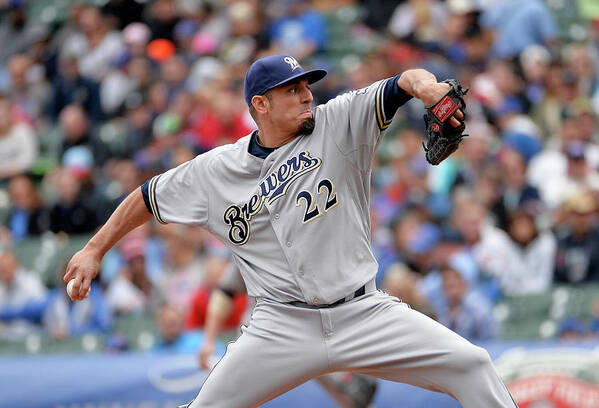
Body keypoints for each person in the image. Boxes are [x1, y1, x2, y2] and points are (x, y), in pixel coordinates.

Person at [64, 54, 518, 407]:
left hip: (363, 314)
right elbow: (147, 196)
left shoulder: (338, 123)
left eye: (306, 85)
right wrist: (93, 249)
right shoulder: (215, 170)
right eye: (293, 89)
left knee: (473, 365)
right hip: (281, 327)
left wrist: (428, 88)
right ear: (260, 105)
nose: (307, 95)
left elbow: (401, 82)